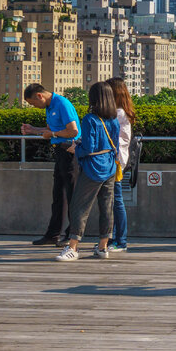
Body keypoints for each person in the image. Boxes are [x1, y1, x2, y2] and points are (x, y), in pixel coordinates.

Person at [54, 82, 120, 262]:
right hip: (110, 166)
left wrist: (76, 149)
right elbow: (115, 145)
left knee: (79, 206)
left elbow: (89, 147)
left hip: (93, 168)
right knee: (107, 207)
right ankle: (103, 246)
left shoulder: (90, 119)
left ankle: (73, 247)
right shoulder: (114, 118)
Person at [21, 83, 81, 246]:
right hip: (60, 152)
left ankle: (72, 234)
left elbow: (73, 131)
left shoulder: (61, 103)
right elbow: (50, 129)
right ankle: (53, 234)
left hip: (70, 152)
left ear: (40, 96)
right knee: (58, 196)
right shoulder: (49, 106)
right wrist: (34, 130)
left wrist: (52, 134)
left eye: (33, 103)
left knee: (71, 195)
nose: (34, 107)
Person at [107, 77, 134, 253]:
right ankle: (115, 238)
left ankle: (120, 240)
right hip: (116, 160)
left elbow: (115, 140)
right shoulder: (122, 112)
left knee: (117, 200)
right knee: (114, 201)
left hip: (115, 161)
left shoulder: (118, 114)